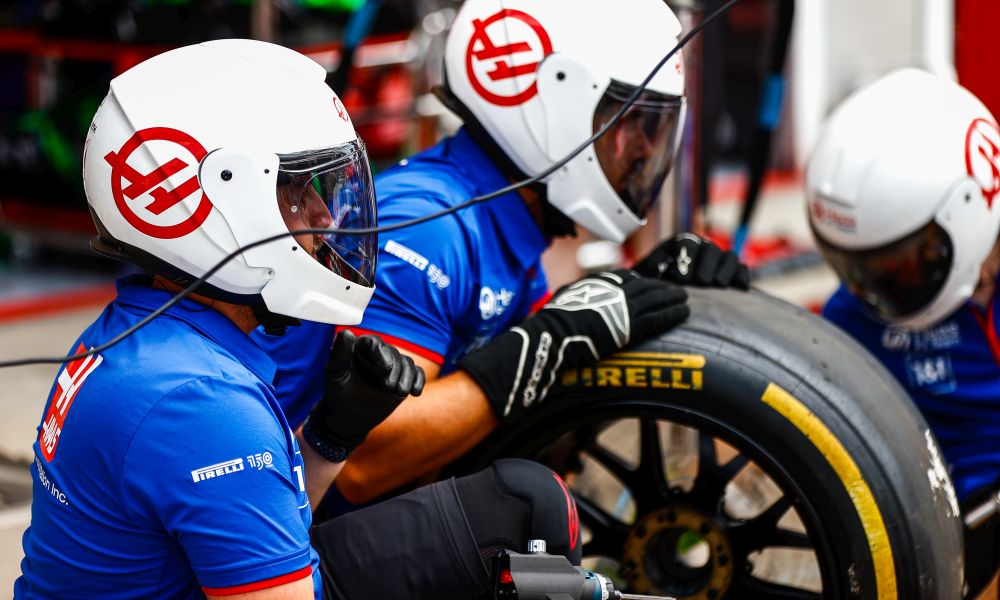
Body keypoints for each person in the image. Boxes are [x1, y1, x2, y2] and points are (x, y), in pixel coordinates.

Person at [14, 39, 657, 599]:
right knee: (521, 511)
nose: (325, 220)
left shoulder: (154, 344)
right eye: (299, 193)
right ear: (207, 203)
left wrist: (330, 437)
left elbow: (259, 533)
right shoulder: (200, 403)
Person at [255, 0, 751, 510]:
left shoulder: (499, 217)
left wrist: (641, 301)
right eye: (626, 124)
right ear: (549, 105)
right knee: (528, 510)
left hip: (336, 530)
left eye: (652, 128)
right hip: (292, 539)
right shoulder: (433, 225)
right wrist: (547, 342)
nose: (645, 151)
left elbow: (528, 416)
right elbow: (363, 463)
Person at [807, 68, 1000, 599]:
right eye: (856, 268)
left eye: (899, 266)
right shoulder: (851, 319)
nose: (873, 290)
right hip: (924, 529)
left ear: (966, 221)